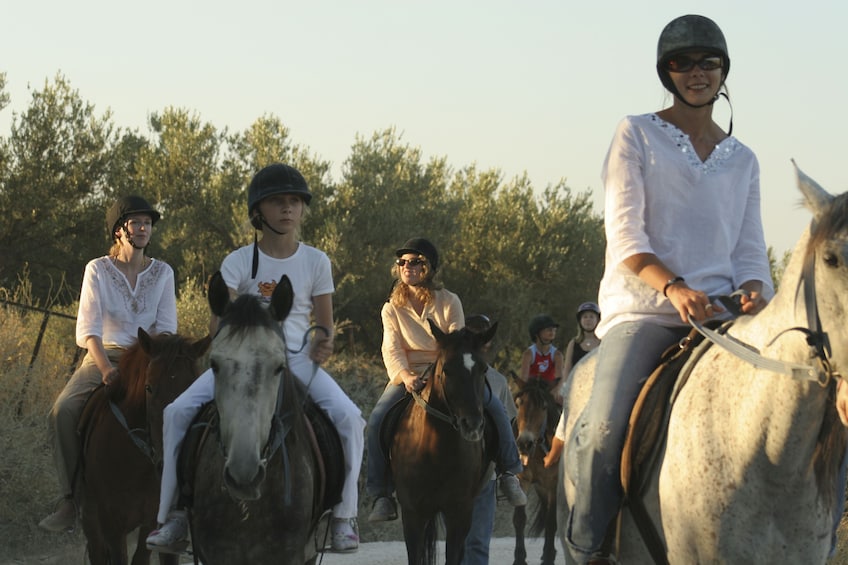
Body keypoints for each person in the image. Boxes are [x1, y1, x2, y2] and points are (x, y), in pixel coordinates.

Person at [563, 15, 772, 564]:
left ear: (724, 71)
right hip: (647, 310)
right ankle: (588, 545)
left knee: (811, 399)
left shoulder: (744, 159)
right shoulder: (636, 133)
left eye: (709, 63)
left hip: (722, 316)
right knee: (605, 425)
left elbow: (751, 251)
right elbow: (625, 231)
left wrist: (754, 288)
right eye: (683, 63)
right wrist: (673, 287)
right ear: (667, 72)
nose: (697, 73)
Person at [145, 163, 366, 554]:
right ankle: (174, 516)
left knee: (350, 417)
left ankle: (344, 517)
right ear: (257, 212)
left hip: (294, 358)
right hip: (240, 359)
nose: (288, 209)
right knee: (176, 413)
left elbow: (325, 324)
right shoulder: (236, 262)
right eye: (278, 202)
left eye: (295, 202)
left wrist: (325, 343)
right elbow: (219, 321)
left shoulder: (317, 261)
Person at [39, 195, 177, 532]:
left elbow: (167, 330)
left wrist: (152, 365)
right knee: (63, 411)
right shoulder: (97, 270)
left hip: (148, 358)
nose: (144, 228)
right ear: (120, 230)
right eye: (136, 222)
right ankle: (71, 499)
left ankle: (181, 502)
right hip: (105, 356)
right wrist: (106, 370)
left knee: (183, 408)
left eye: (147, 223)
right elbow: (89, 330)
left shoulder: (163, 272)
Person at [366, 238, 527, 523]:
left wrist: (445, 368)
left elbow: (458, 340)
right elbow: (391, 347)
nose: (407, 267)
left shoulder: (449, 301)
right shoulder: (390, 308)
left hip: (446, 367)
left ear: (428, 267)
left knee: (492, 405)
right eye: (402, 262)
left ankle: (509, 471)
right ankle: (381, 494)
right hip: (409, 373)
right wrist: (405, 376)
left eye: (415, 261)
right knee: (377, 419)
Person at [461, 313, 519, 565]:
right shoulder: (451, 373)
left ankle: (510, 472)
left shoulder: (497, 380)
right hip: (451, 471)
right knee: (457, 541)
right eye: (472, 334)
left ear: (488, 342)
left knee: (478, 542)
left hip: (486, 472)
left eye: (482, 336)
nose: (478, 341)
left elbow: (510, 423)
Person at [544, 302, 601, 469]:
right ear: (580, 321)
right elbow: (567, 369)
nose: (588, 320)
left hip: (598, 389)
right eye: (585, 317)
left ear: (598, 319)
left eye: (591, 316)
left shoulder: (604, 342)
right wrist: (563, 390)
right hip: (577, 391)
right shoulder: (573, 343)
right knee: (564, 421)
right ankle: (552, 456)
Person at [519, 314, 564, 395]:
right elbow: (524, 380)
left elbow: (559, 380)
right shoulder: (528, 354)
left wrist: (555, 392)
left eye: (554, 330)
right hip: (532, 392)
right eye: (549, 329)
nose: (552, 332)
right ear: (537, 333)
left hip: (550, 392)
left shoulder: (557, 355)